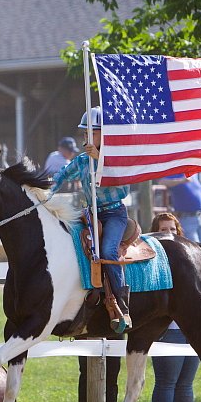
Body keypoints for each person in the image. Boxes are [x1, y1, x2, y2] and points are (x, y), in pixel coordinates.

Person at [51, 106, 131, 332]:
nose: (87, 138)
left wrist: (101, 162)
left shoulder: (116, 158)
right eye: (85, 133)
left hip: (114, 213)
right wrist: (46, 192)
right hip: (90, 214)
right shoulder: (82, 160)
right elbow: (63, 174)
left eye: (92, 133)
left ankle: (122, 303)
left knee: (107, 252)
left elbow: (124, 188)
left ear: (104, 134)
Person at [149, 213, 200, 402]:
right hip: (167, 330)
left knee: (186, 383)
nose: (168, 234)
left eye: (172, 229)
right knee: (167, 382)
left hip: (192, 330)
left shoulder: (191, 259)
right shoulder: (152, 262)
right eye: (163, 230)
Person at [159, 173, 201, 243]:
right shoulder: (173, 173)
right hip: (187, 218)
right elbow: (161, 181)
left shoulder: (192, 172)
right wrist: (181, 181)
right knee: (195, 247)